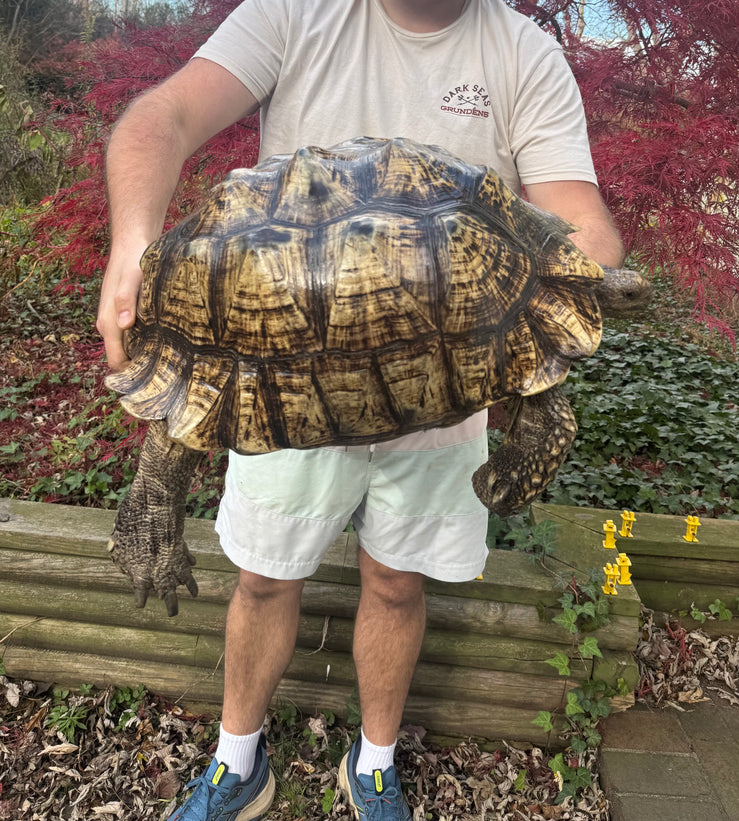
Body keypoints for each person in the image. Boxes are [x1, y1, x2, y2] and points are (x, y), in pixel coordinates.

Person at [98, 1, 624, 818]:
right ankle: (238, 759)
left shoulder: (524, 52)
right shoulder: (295, 12)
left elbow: (581, 218)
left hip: (442, 395)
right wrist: (134, 244)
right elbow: (159, 116)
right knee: (264, 578)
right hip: (279, 326)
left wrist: (577, 269)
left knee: (396, 584)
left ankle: (372, 763)